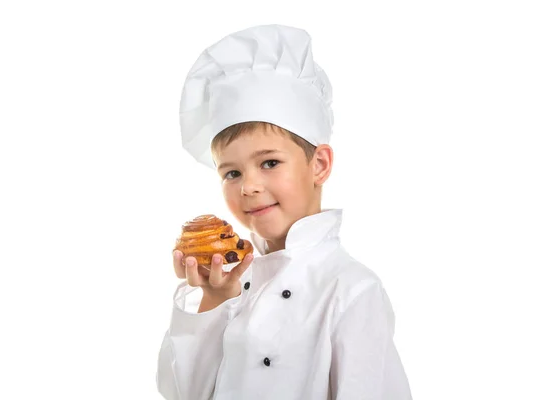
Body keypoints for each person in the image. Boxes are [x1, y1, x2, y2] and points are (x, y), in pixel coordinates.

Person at [156, 24, 412, 399]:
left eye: (270, 163)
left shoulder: (352, 289)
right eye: (231, 172)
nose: (248, 186)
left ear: (319, 165)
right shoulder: (230, 283)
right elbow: (185, 393)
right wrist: (213, 299)